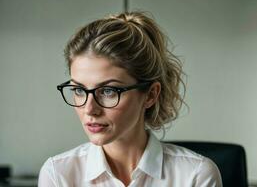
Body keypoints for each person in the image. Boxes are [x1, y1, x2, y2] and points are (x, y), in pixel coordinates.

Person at [38, 11, 222, 187]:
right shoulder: (58, 174)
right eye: (79, 90)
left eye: (108, 91)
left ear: (150, 95)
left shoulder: (195, 176)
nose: (89, 109)